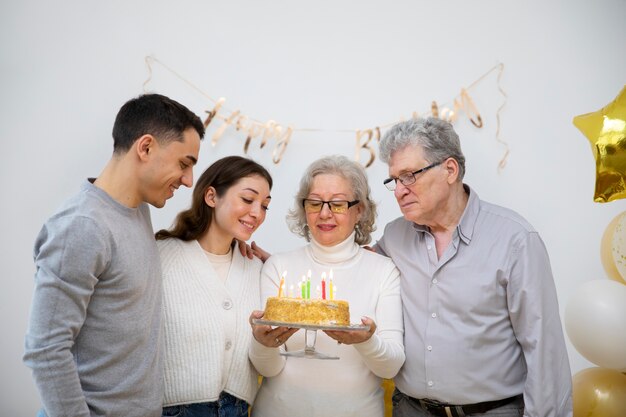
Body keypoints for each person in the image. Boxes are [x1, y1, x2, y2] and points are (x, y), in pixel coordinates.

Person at [376, 117, 572, 417]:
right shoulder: (394, 236)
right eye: (394, 180)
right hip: (410, 409)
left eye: (409, 176)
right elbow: (353, 268)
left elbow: (544, 349)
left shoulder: (515, 240)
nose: (400, 190)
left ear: (450, 170)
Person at [23, 93, 205, 417]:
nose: (189, 179)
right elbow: (45, 349)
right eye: (184, 164)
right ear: (146, 147)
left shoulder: (137, 210)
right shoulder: (83, 227)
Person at [249, 155, 405, 417]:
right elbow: (269, 369)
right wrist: (262, 343)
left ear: (360, 210)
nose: (324, 213)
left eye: (338, 204)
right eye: (315, 203)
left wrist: (366, 341)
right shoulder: (278, 267)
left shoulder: (383, 271)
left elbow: (390, 368)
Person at [155, 156, 273, 417]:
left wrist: (277, 268)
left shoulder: (257, 269)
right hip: (173, 410)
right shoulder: (160, 256)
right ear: (211, 196)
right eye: (247, 199)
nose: (257, 213)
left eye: (265, 206)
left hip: (237, 409)